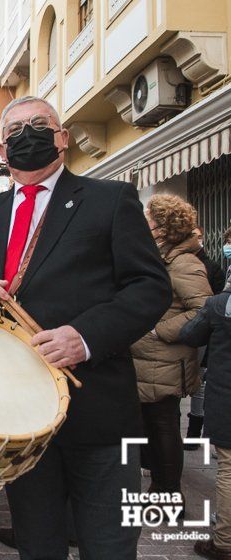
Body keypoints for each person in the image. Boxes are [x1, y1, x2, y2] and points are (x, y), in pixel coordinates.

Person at [0, 95, 171, 560]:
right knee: (38, 545)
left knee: (109, 547)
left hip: (99, 412)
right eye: (15, 131)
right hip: (16, 418)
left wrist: (85, 337)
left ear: (63, 138)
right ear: (3, 152)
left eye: (40, 125)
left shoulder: (110, 200)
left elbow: (149, 288)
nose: (28, 135)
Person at [131, 194, 210, 505]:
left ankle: (169, 498)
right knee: (152, 427)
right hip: (149, 360)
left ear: (161, 228)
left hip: (164, 359)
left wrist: (157, 331)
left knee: (163, 427)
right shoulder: (161, 257)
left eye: (148, 220)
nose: (143, 225)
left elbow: (204, 309)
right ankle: (160, 491)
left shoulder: (184, 262)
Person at [179, 281, 231, 560]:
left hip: (226, 394)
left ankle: (224, 541)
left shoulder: (218, 305)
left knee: (229, 468)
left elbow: (190, 334)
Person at [185, 225, 225, 450]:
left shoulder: (211, 268)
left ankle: (193, 434)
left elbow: (209, 307)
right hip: (193, 332)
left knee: (199, 385)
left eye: (200, 237)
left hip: (201, 334)